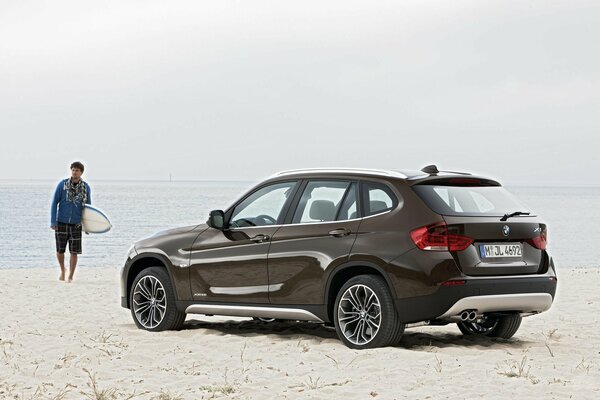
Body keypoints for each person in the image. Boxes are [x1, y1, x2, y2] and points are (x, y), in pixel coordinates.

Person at [50, 161, 92, 282]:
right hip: (61, 222)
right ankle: (63, 270)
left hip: (76, 223)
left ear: (81, 172)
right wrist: (53, 221)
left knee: (74, 251)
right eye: (73, 169)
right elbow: (54, 203)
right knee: (60, 250)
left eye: (77, 170)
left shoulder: (86, 187)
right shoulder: (62, 185)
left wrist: (87, 226)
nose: (74, 172)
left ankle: (71, 275)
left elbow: (88, 207)